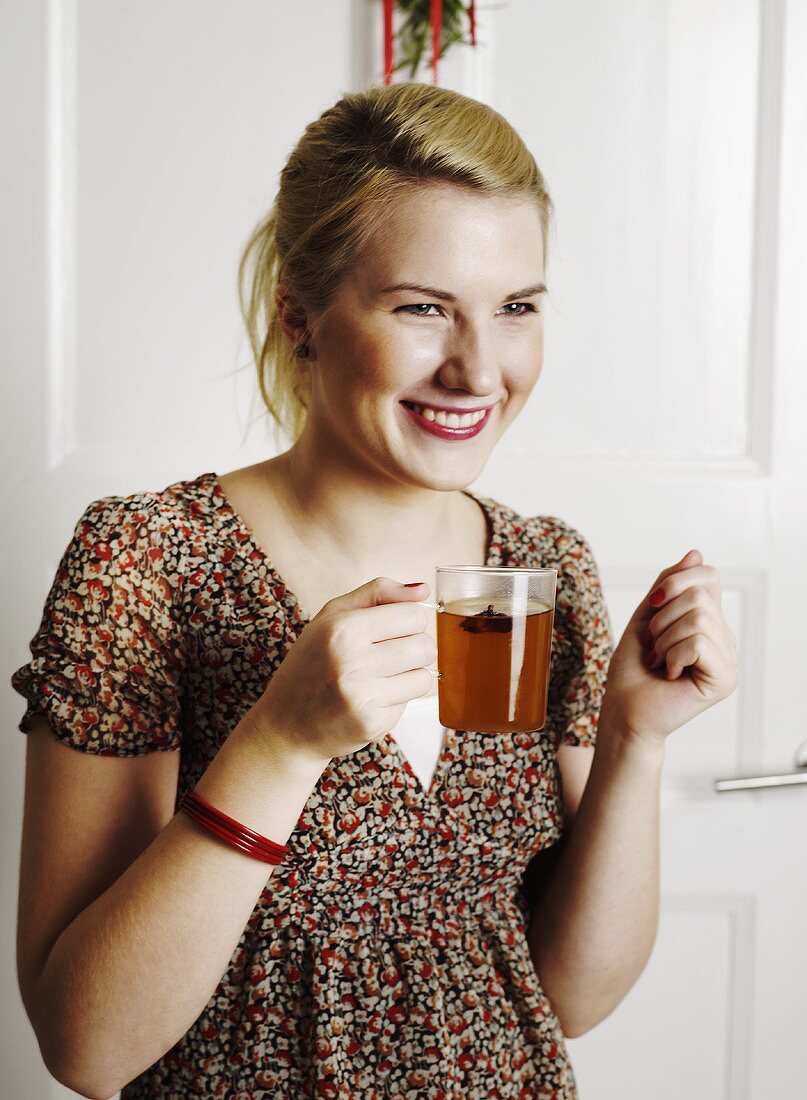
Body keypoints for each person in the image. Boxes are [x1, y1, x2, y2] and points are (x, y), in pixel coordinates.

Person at [11, 81, 739, 1099]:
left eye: (516, 308)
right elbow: (86, 1045)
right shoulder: (148, 559)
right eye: (423, 308)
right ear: (299, 317)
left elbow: (564, 995)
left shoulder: (545, 570)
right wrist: (279, 742)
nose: (478, 369)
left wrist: (634, 738)